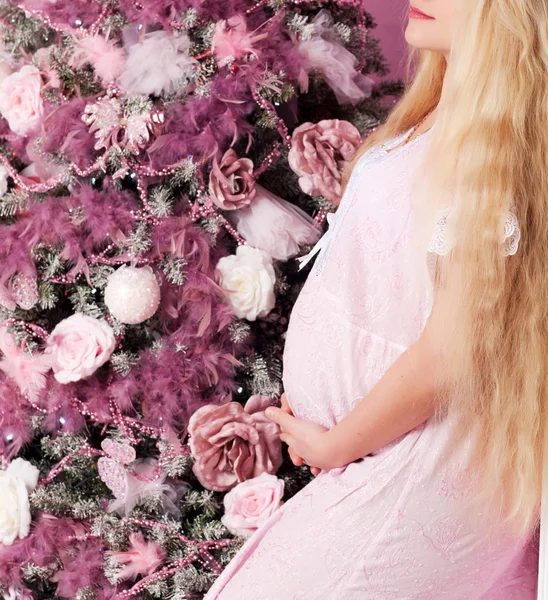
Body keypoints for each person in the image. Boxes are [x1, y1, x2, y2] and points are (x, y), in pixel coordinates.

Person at [204, 0, 545, 597]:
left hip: (417, 464)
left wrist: (336, 442)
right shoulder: (442, 113)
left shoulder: (493, 149)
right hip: (384, 459)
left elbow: (454, 345)